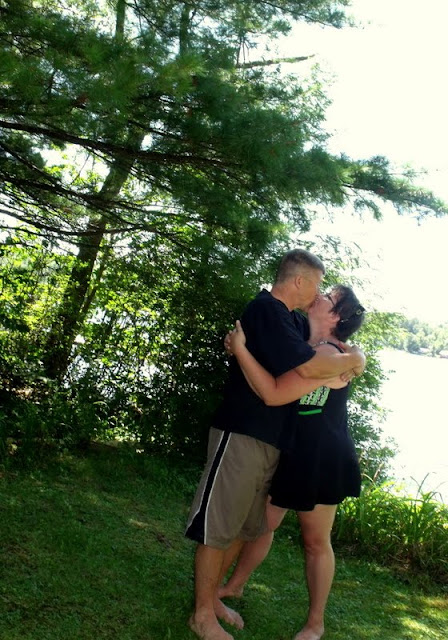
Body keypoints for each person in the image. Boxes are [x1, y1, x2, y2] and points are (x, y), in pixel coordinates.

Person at [185, 249, 366, 640]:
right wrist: (352, 361)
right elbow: (293, 378)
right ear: (300, 281)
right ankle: (204, 612)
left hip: (284, 446)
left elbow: (311, 358)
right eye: (319, 286)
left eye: (327, 294)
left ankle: (216, 601)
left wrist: (357, 356)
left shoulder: (293, 322)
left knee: (246, 528)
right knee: (224, 527)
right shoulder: (272, 313)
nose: (319, 294)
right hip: (247, 435)